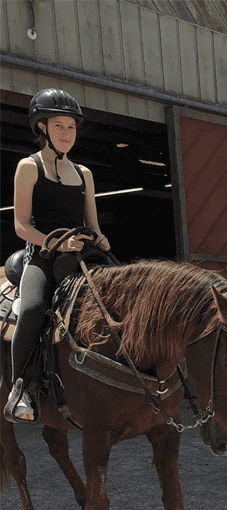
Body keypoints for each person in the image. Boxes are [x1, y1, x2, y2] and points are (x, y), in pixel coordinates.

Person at [4, 88, 111, 423]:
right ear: (42, 128)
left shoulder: (84, 174)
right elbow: (21, 226)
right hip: (43, 255)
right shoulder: (28, 166)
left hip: (81, 253)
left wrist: (100, 238)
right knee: (34, 308)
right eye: (59, 127)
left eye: (71, 128)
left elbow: (91, 223)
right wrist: (58, 244)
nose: (67, 134)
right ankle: (20, 388)